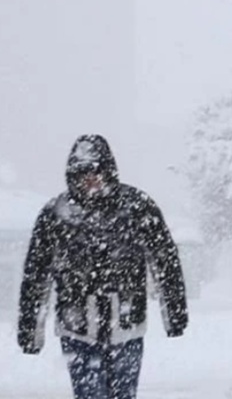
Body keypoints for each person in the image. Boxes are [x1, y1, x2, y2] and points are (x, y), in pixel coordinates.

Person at [17, 134, 188, 399]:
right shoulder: (56, 215)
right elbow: (36, 275)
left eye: (95, 172)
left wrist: (175, 313)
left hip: (126, 326)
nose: (90, 180)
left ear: (108, 171)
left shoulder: (137, 207)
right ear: (72, 176)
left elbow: (165, 260)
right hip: (77, 329)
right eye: (82, 174)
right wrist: (30, 329)